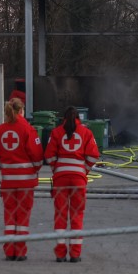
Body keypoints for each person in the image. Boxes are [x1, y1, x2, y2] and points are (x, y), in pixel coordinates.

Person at [45, 106, 100, 263]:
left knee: (60, 215)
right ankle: (75, 254)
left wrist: (57, 169)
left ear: (63, 118)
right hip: (78, 180)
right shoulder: (86, 133)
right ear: (78, 118)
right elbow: (93, 155)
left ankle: (60, 254)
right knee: (77, 215)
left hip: (60, 179)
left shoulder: (56, 132)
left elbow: (48, 155)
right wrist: (84, 171)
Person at [0, 97, 43, 261]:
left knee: (9, 217)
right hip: (26, 182)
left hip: (7, 181)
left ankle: (9, 250)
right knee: (22, 217)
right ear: (21, 111)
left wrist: (4, 165)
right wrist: (35, 168)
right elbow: (37, 156)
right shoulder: (28, 129)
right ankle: (20, 251)